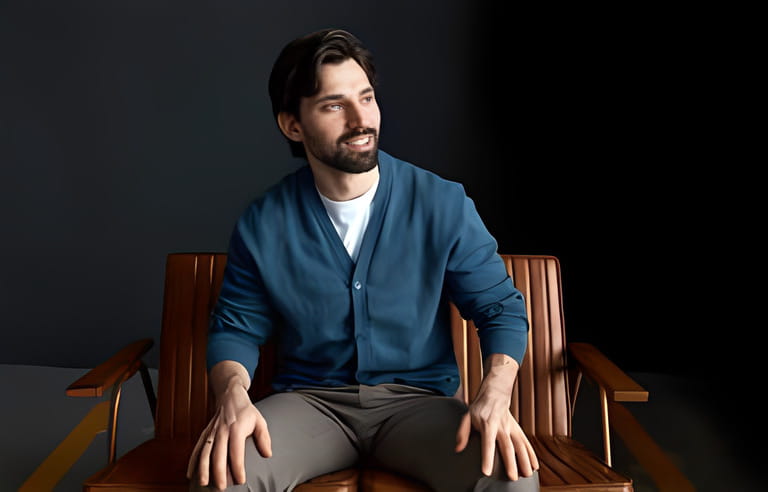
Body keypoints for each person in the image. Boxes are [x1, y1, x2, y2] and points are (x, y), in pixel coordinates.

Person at [187, 28, 540, 492]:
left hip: (420, 406)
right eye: (334, 105)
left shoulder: (441, 203)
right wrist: (232, 395)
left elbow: (500, 308)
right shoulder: (264, 222)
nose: (361, 119)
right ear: (293, 125)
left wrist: (495, 394)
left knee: (510, 480)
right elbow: (236, 327)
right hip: (311, 405)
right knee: (222, 478)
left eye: (366, 97)